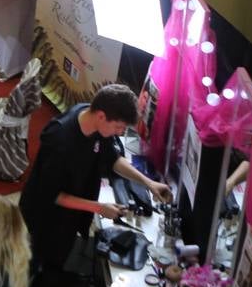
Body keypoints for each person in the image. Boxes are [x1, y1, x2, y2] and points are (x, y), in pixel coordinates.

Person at [19, 83, 170, 274]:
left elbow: (113, 159)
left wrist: (148, 183)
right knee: (37, 264)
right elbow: (53, 195)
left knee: (58, 260)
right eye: (118, 127)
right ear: (101, 116)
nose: (119, 132)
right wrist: (99, 208)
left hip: (70, 212)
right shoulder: (60, 140)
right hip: (45, 216)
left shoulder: (95, 122)